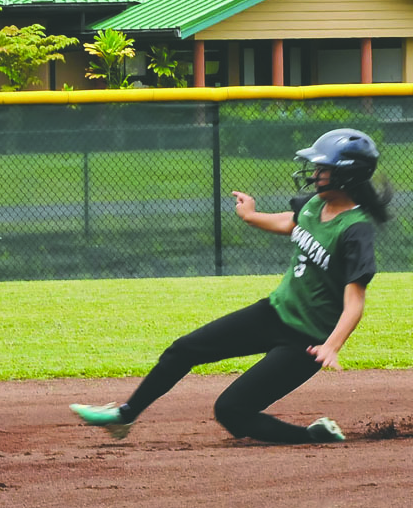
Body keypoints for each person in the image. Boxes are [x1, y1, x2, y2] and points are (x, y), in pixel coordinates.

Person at [70, 128, 392, 444]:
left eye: (324, 168)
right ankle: (125, 416)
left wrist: (331, 346)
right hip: (274, 313)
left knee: (231, 410)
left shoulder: (355, 230)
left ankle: (313, 436)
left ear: (346, 176)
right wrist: (251, 216)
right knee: (183, 350)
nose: (316, 172)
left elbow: (354, 303)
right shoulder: (314, 206)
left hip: (305, 342)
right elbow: (290, 223)